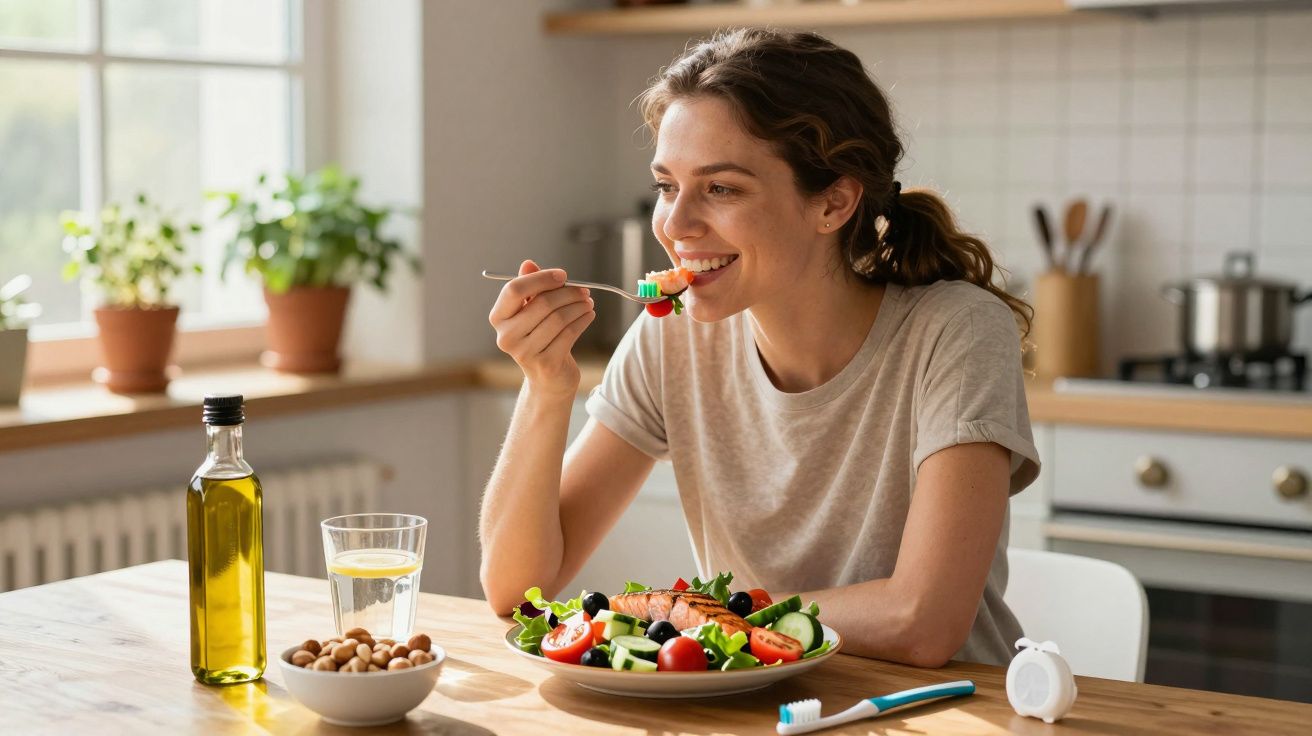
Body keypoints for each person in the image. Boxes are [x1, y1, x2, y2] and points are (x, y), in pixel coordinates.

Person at [480, 28, 1040, 667]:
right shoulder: (672, 334)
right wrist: (546, 387)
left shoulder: (957, 332)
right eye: (667, 187)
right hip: (750, 708)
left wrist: (704, 621)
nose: (676, 225)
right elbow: (514, 588)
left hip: (945, 711)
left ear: (833, 202)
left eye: (721, 189)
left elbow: (923, 623)